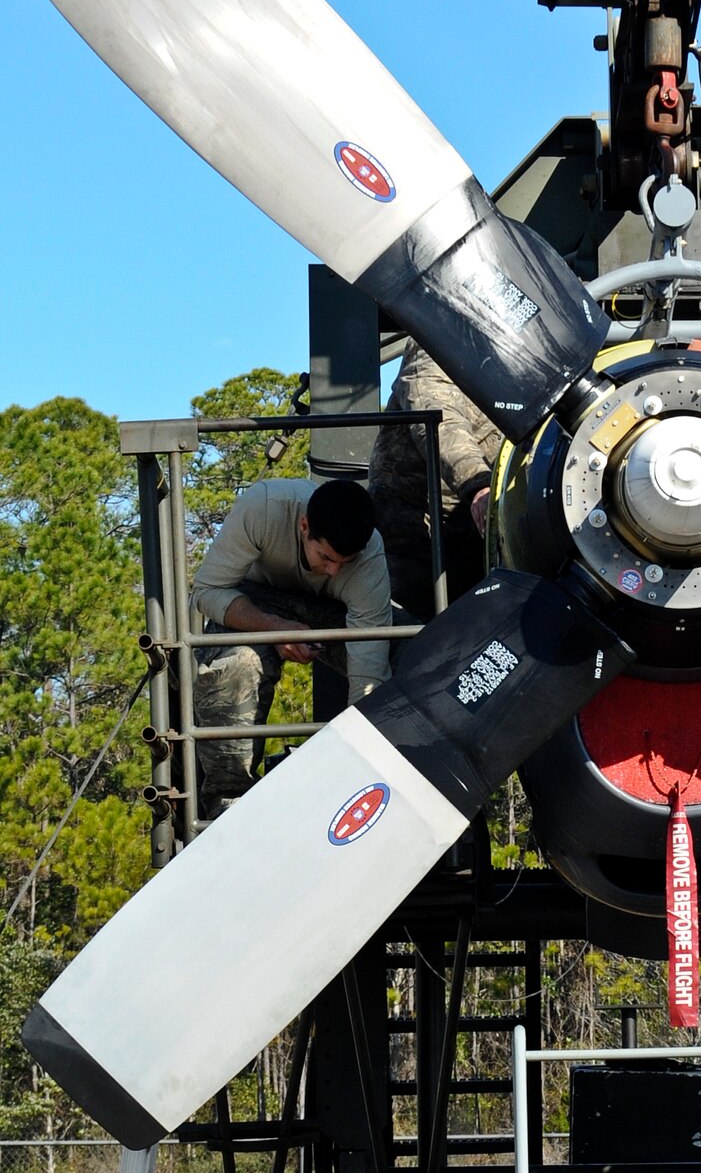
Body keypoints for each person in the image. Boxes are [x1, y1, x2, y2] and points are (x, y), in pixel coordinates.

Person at [191, 477, 390, 817]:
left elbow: (368, 677)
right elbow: (207, 591)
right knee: (236, 666)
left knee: (406, 666)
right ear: (303, 525)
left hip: (330, 616)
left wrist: (362, 764)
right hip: (255, 602)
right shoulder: (264, 508)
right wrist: (275, 629)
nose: (333, 571)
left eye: (346, 562)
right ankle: (227, 806)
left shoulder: (369, 557)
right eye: (326, 557)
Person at [369, 338, 502, 617]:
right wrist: (477, 483)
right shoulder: (439, 339)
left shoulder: (538, 348)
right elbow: (437, 414)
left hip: (489, 539)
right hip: (416, 540)